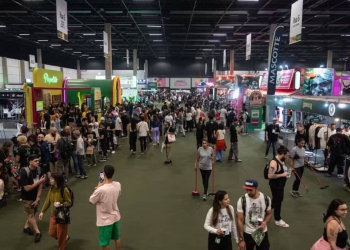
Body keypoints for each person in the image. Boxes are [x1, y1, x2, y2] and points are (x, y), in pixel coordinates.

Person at [89, 165, 122, 250]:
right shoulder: (118, 184)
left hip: (105, 220)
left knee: (105, 243)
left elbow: (91, 200)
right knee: (117, 238)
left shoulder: (101, 190)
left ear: (104, 174)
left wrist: (98, 187)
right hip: (115, 216)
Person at [39, 173, 72, 250]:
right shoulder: (51, 188)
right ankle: (65, 238)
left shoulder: (64, 190)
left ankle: (61, 246)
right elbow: (48, 201)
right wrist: (42, 212)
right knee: (52, 233)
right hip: (53, 215)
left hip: (61, 215)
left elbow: (69, 202)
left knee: (60, 236)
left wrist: (61, 204)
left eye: (52, 179)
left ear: (57, 180)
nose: (50, 180)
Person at [237, 179, 272, 250]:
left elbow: (269, 214)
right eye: (247, 190)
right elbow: (239, 220)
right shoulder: (242, 200)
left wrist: (264, 222)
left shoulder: (266, 199)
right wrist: (241, 239)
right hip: (248, 233)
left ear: (256, 189)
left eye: (251, 190)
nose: (248, 192)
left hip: (261, 232)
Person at [20, 154, 46, 243]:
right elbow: (26, 188)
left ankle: (26, 227)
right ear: (30, 162)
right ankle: (37, 232)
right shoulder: (24, 171)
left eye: (38, 160)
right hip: (27, 197)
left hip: (35, 195)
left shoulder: (39, 170)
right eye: (35, 161)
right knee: (31, 214)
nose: (38, 162)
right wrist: (39, 182)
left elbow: (40, 185)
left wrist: (38, 198)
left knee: (32, 212)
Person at [267, 145, 290, 228]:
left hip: (281, 185)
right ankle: (278, 219)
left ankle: (264, 211)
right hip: (276, 185)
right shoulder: (274, 163)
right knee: (278, 201)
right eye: (286, 155)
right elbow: (269, 175)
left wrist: (286, 174)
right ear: (282, 154)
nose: (287, 157)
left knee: (276, 200)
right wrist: (282, 174)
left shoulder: (281, 160)